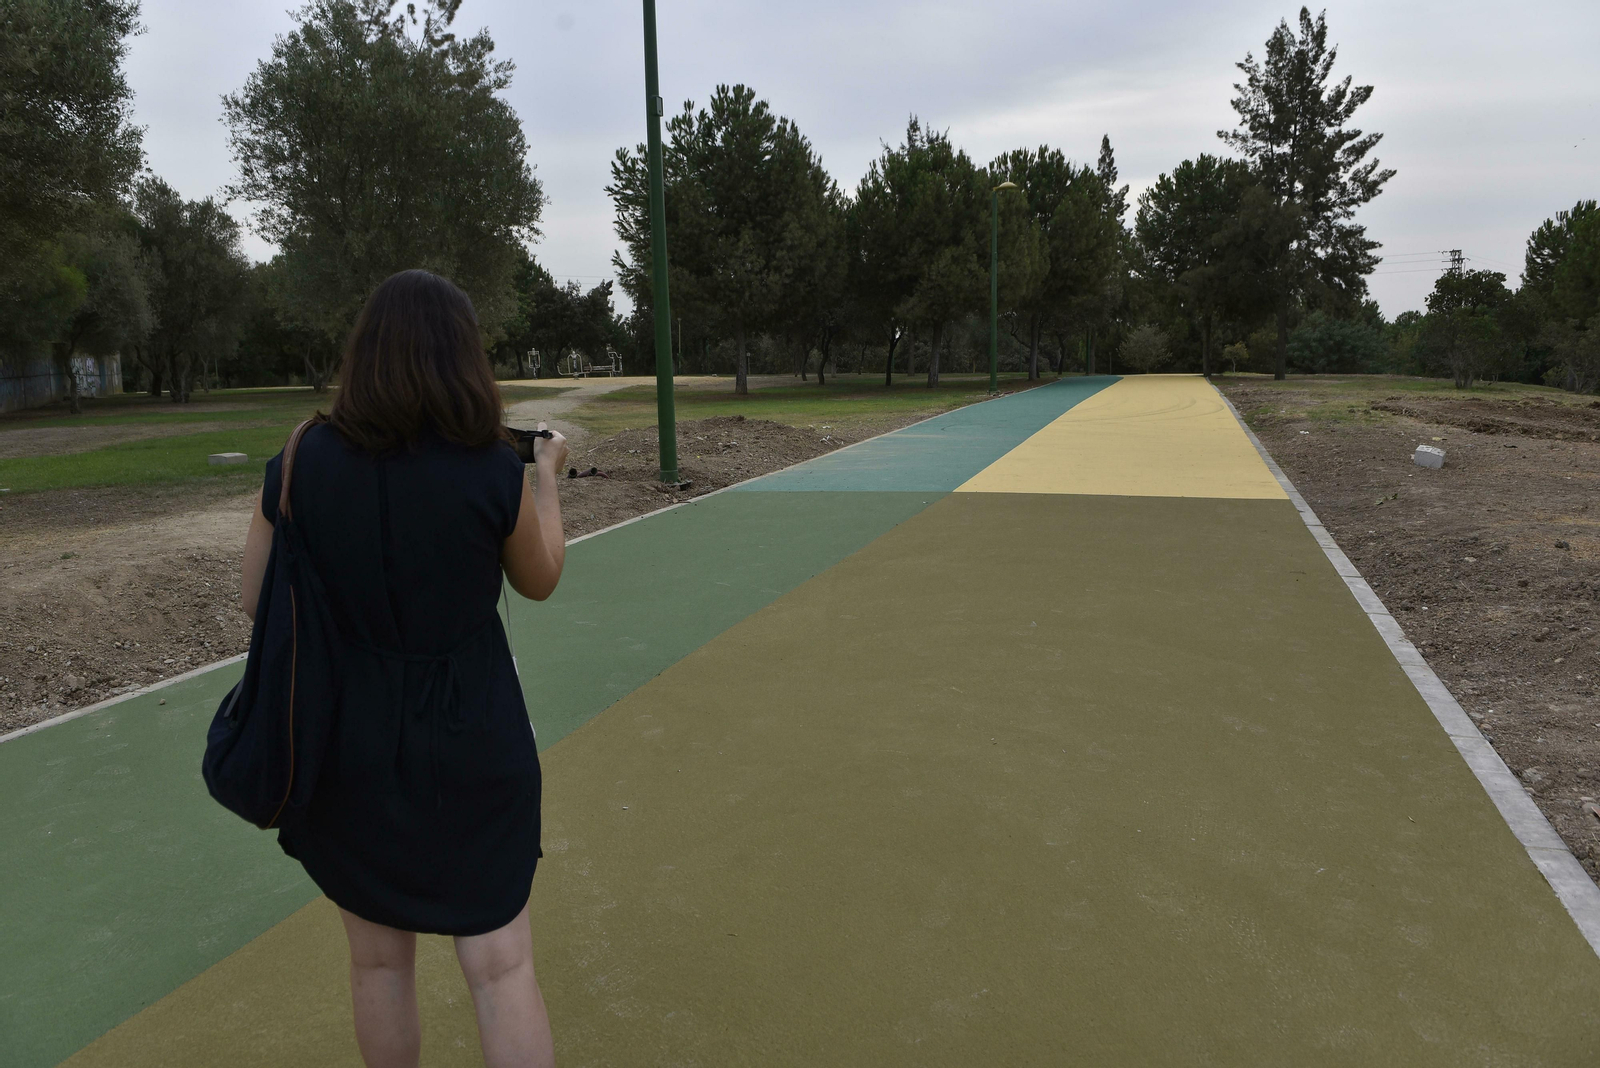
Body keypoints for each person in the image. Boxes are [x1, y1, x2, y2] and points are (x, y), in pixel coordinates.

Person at [239, 269, 568, 1068]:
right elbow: (540, 578)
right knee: (501, 967)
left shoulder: (302, 458)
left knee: (379, 964)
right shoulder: (489, 468)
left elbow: (255, 599)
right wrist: (547, 478)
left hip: (348, 741)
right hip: (474, 735)